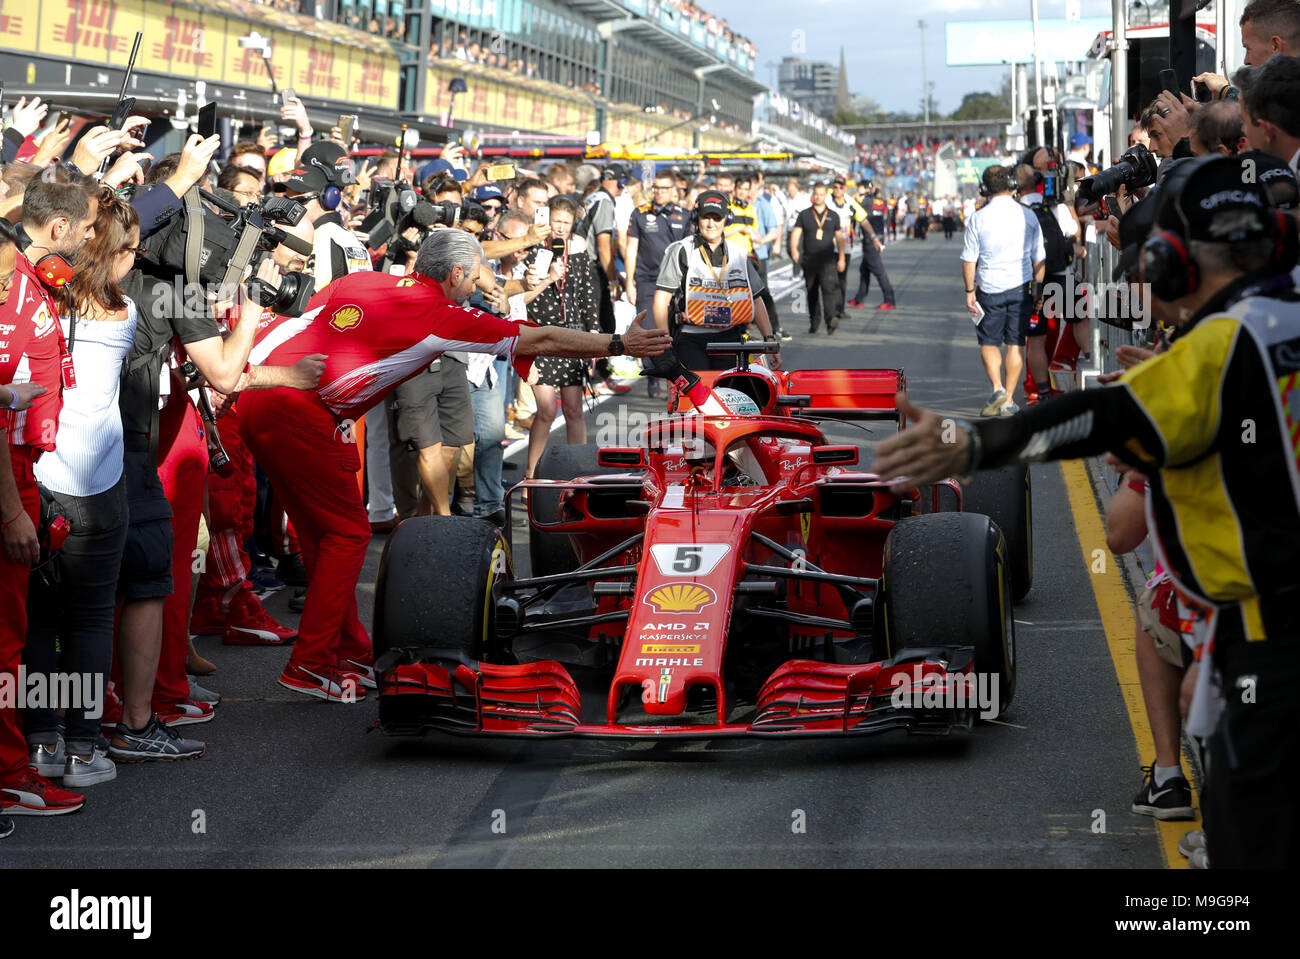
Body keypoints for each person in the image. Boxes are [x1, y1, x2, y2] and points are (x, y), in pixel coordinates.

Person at [873, 155, 1300, 869]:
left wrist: (973, 442)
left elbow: (1093, 418)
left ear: (1170, 265)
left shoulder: (1217, 353)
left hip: (1269, 641)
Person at [238, 229, 670, 702]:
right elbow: (540, 337)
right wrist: (618, 345)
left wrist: (239, 377)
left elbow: (291, 324)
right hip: (306, 412)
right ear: (456, 273)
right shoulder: (440, 313)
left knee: (327, 539)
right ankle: (310, 663)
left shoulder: (360, 281)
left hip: (259, 396)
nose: (477, 287)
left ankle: (350, 654)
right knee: (347, 537)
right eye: (475, 276)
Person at [24, 189, 139, 790]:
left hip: (36, 480)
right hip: (99, 484)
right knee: (90, 620)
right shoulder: (124, 315)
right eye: (130, 252)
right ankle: (83, 749)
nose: (134, 264)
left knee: (41, 621)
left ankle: (41, 743)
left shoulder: (36, 297)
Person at [1, 191, 92, 817]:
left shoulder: (31, 272)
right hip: (7, 478)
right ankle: (10, 772)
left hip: (23, 471)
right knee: (6, 641)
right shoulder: (12, 276)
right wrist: (11, 510)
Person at [652, 189, 777, 370]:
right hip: (690, 337)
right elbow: (661, 299)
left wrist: (769, 340)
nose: (711, 224)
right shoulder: (681, 250)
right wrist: (664, 345)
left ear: (727, 219)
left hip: (730, 338)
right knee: (698, 394)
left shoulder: (739, 254)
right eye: (706, 217)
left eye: (717, 218)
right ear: (697, 218)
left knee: (728, 394)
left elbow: (756, 299)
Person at [960, 165, 1045, 417]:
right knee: (1015, 344)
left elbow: (968, 260)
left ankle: (997, 388)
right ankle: (1008, 399)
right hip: (1021, 289)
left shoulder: (978, 218)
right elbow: (1039, 258)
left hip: (989, 289)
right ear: (1011, 184)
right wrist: (1038, 292)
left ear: (984, 189)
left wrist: (968, 291)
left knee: (988, 342)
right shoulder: (1028, 215)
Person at [523, 196, 598, 479]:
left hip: (572, 336)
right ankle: (531, 476)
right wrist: (548, 276)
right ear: (547, 220)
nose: (560, 228)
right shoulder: (533, 252)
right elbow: (523, 297)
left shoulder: (578, 255)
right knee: (545, 410)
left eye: (566, 223)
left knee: (574, 409)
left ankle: (579, 475)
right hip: (541, 334)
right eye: (556, 221)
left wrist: (593, 337)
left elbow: (589, 298)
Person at [789, 183, 846, 335]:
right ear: (812, 195)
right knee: (812, 291)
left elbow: (839, 238)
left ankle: (831, 320)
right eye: (816, 194)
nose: (818, 196)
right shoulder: (804, 214)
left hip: (828, 261)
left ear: (825, 195)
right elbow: (796, 233)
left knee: (829, 290)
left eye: (821, 194)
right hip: (809, 260)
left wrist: (842, 258)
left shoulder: (833, 215)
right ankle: (814, 321)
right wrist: (794, 249)